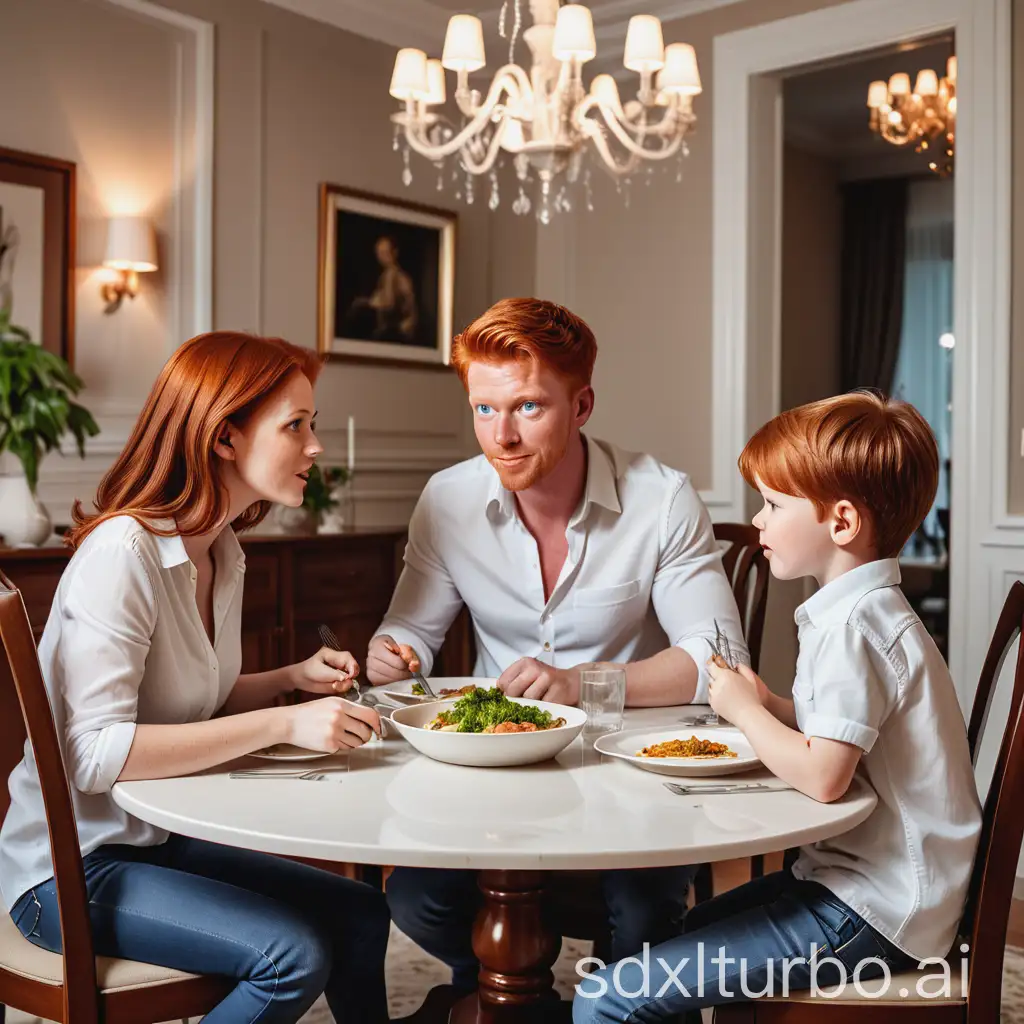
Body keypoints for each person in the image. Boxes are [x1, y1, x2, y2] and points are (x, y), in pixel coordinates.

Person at [0, 331, 390, 1024]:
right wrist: (284, 722)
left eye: (314, 424)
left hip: (155, 841)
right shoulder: (123, 555)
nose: (315, 446)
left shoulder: (221, 552)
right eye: (295, 426)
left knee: (359, 911)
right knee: (290, 955)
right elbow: (95, 756)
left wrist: (287, 679)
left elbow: (188, 703)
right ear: (224, 439)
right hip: (67, 873)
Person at [367, 297, 747, 997]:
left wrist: (583, 683)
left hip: (634, 775)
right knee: (417, 900)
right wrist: (389, 652)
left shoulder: (662, 499)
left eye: (528, 408)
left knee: (642, 916)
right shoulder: (445, 500)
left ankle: (614, 1009)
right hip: (492, 773)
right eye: (484, 409)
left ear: (582, 404)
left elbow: (718, 663)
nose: (501, 436)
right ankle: (503, 995)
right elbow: (406, 636)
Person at [573, 391, 983, 1023]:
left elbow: (824, 775)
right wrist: (773, 705)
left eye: (772, 504)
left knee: (608, 998)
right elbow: (845, 734)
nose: (757, 520)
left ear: (841, 523)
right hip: (862, 887)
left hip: (874, 911)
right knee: (676, 942)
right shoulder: (863, 611)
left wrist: (745, 713)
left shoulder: (855, 628)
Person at [348, 235, 418, 343]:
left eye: (385, 253)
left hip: (399, 331)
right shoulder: (387, 274)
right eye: (379, 253)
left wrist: (367, 303)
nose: (381, 257)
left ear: (394, 253)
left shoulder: (393, 274)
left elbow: (389, 303)